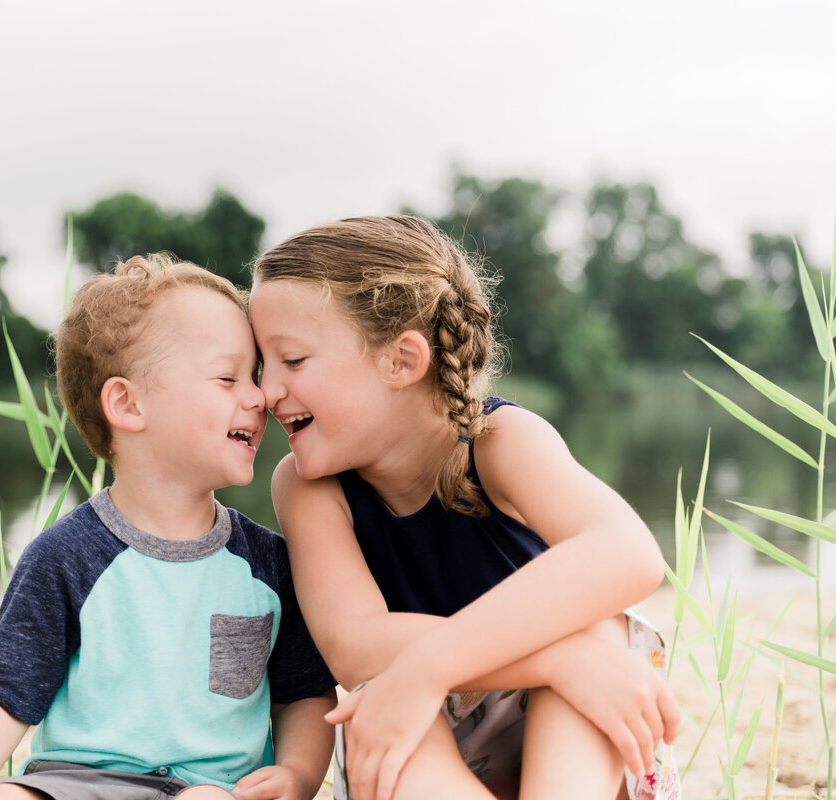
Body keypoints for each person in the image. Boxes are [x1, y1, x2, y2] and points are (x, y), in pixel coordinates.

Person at [248, 215, 681, 800]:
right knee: (379, 697)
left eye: (292, 361)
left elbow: (627, 555)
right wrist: (557, 659)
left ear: (402, 361)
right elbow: (354, 648)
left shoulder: (498, 441)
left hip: (577, 751)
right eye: (259, 366)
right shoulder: (306, 487)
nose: (265, 391)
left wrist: (435, 665)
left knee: (600, 630)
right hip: (432, 735)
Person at [0, 254, 337, 800]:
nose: (258, 397)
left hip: (209, 787)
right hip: (74, 785)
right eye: (228, 377)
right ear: (127, 404)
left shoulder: (267, 564)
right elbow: (6, 688)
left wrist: (297, 775)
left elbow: (305, 692)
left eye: (251, 378)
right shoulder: (65, 557)